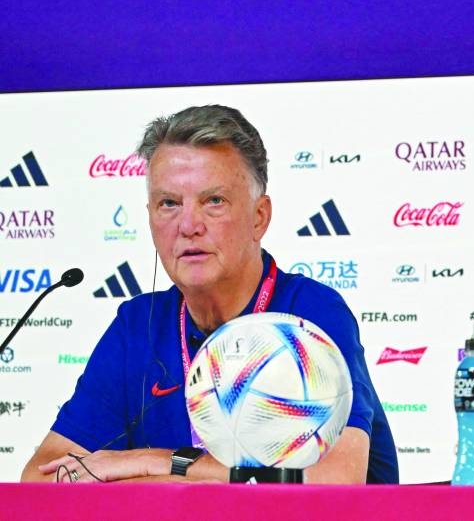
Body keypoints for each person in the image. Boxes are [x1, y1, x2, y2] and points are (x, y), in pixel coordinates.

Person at [21, 105, 398, 484]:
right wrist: (219, 482)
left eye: (213, 201)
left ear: (259, 217)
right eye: (169, 203)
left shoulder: (309, 312)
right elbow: (41, 479)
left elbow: (333, 479)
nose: (188, 226)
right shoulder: (137, 325)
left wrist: (157, 461)